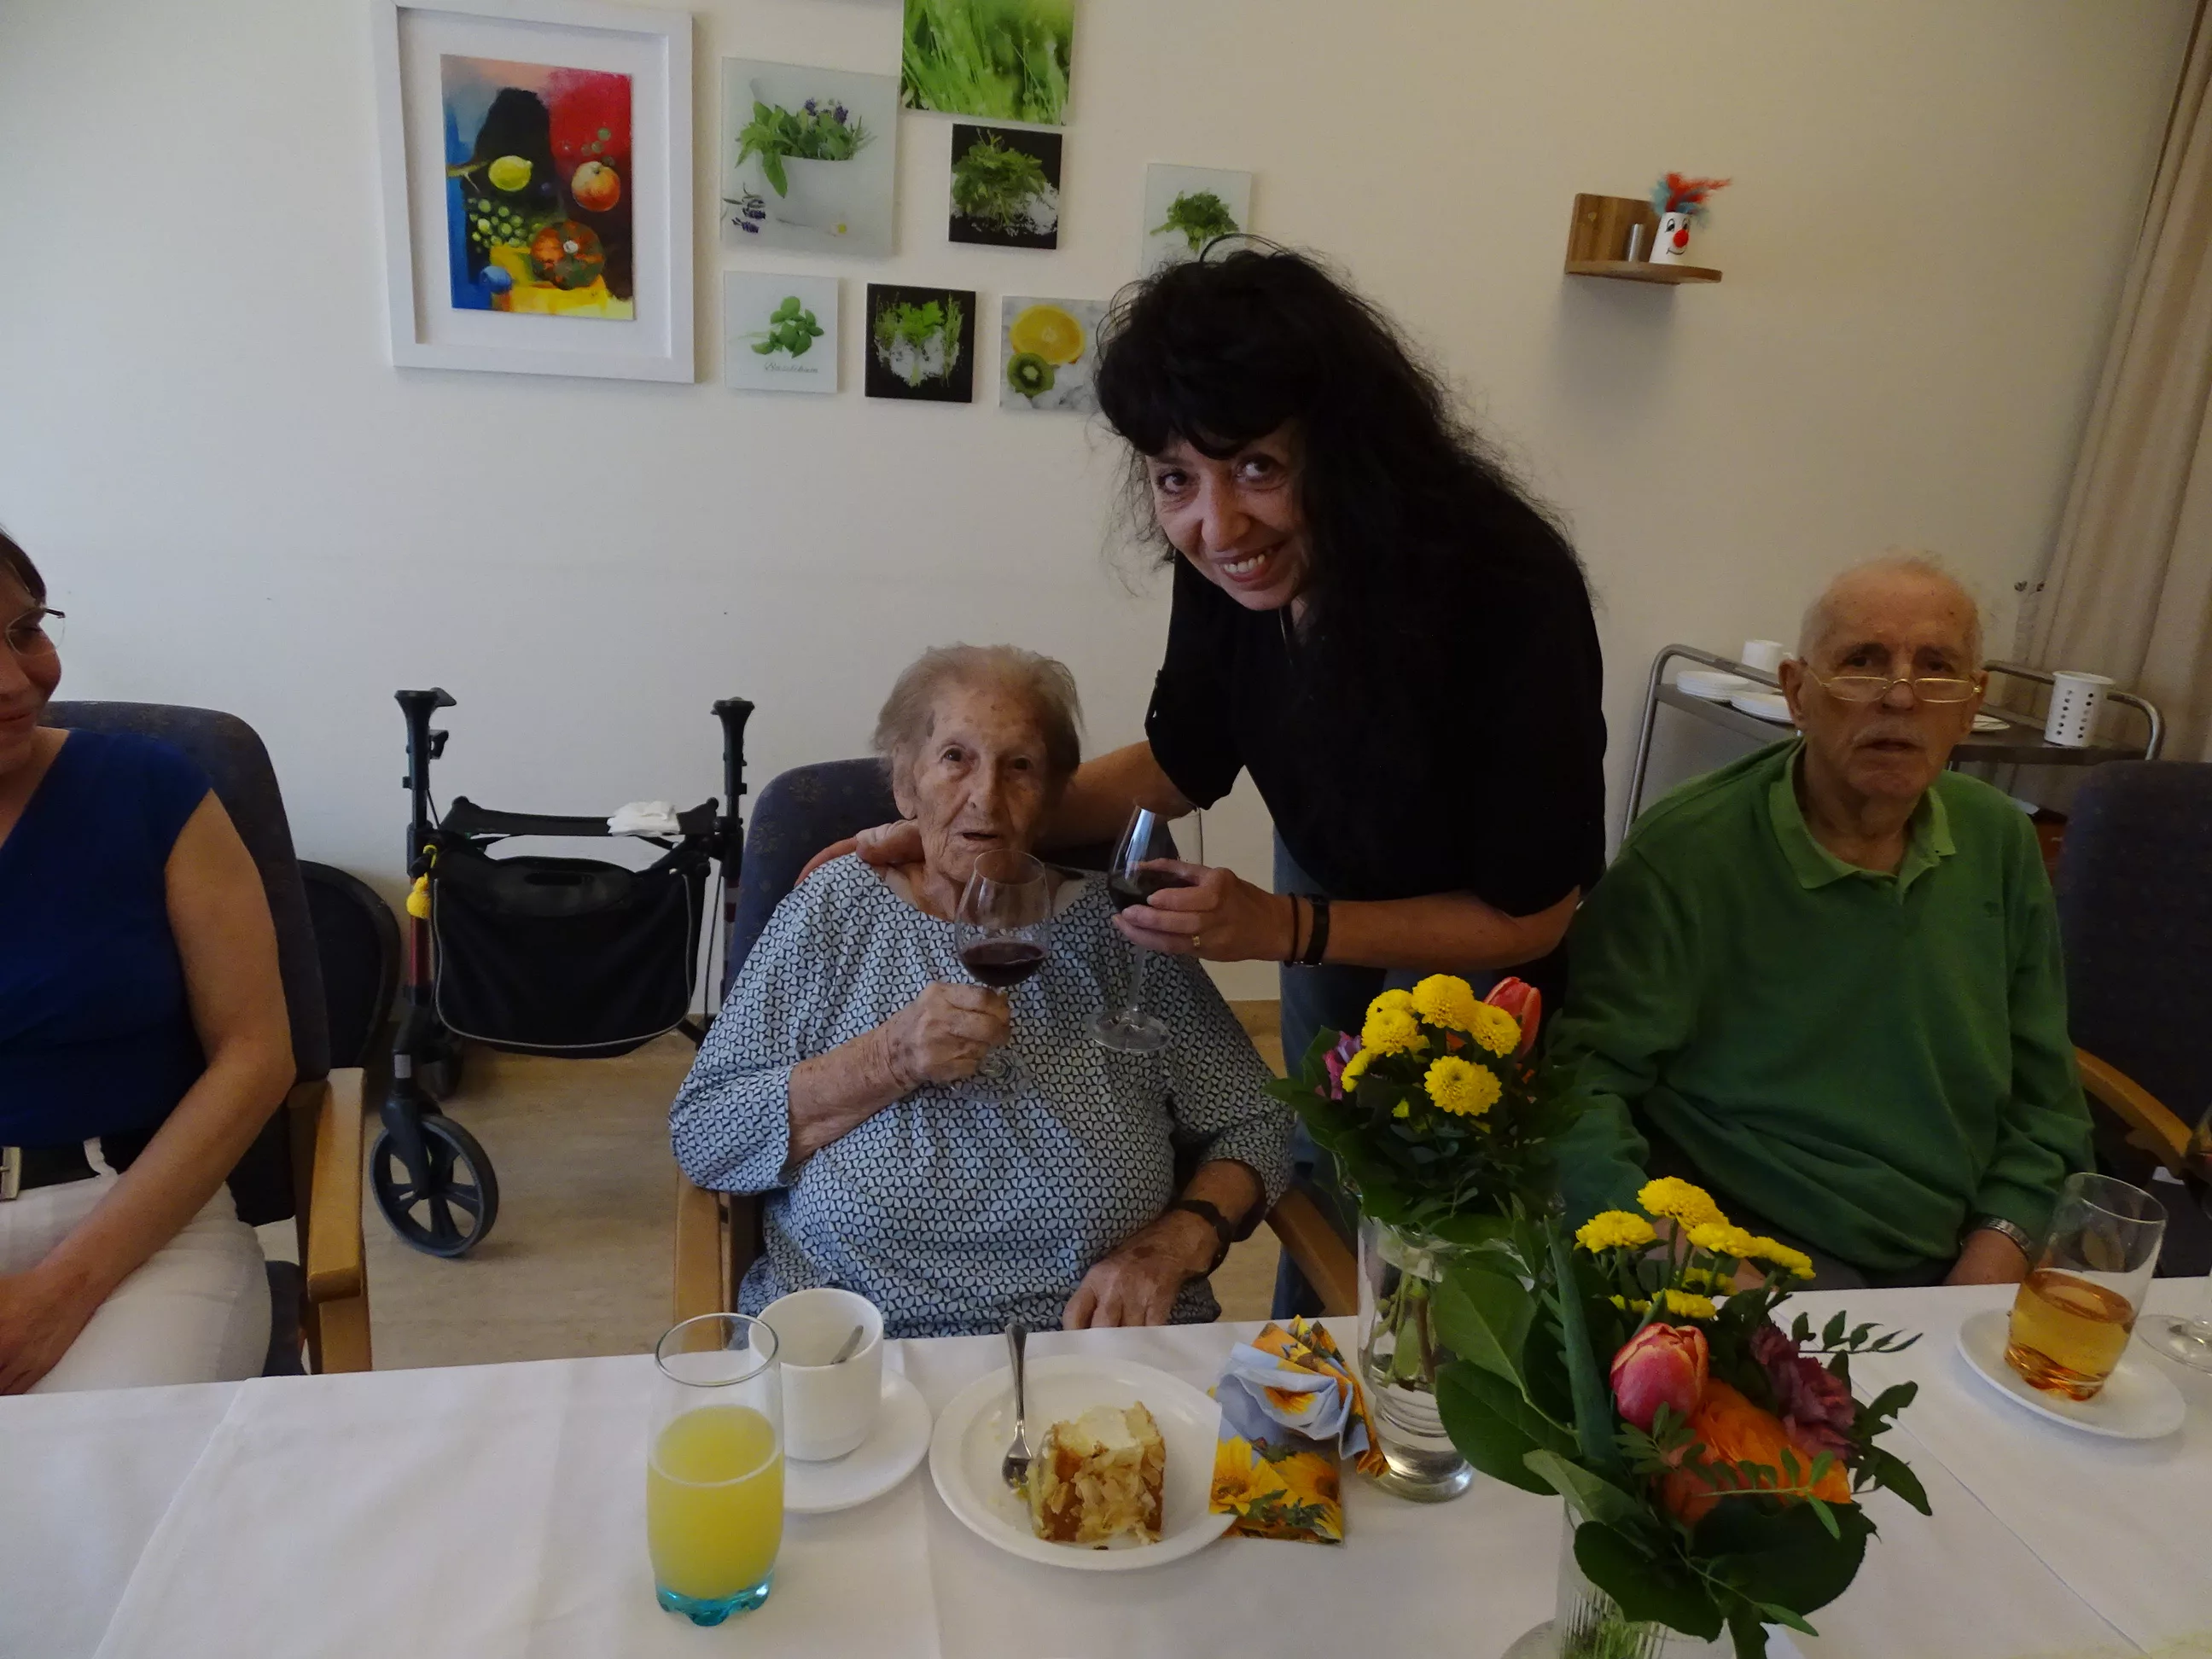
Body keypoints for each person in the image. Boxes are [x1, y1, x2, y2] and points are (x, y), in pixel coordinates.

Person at [810, 247, 1608, 1313]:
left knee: (1436, 1219)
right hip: (1324, 876)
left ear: (1349, 446)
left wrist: (1285, 928)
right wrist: (976, 823)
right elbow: (1179, 764)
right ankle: (1303, 1371)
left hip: (1480, 930)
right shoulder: (1232, 568)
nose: (1218, 528)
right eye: (1175, 479)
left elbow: (1533, 913)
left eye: (1260, 469)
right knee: (1321, 1156)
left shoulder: (1507, 590)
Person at [670, 644, 1293, 1338]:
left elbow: (1260, 1120)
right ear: (906, 783)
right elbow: (705, 1132)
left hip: (1093, 1352)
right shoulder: (833, 912)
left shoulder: (1122, 931)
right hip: (860, 1352)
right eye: (955, 758)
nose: (986, 797)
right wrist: (889, 1058)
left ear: (1055, 796)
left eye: (1020, 766)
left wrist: (1180, 1240)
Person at [1551, 553, 2094, 1288]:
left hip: (1961, 1257)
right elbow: (1577, 1093)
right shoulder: (1688, 851)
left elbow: (2046, 1103)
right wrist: (1697, 1266)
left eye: (1936, 667)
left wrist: (1990, 1261)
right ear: (1797, 693)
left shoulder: (1999, 839)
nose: (1900, 696)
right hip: (1751, 1249)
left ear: (1972, 705)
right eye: (1862, 662)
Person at [0, 531, 293, 1392]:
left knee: (105, 1461)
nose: (15, 681)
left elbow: (255, 1054)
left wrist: (62, 1292)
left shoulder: (148, 790)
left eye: (25, 631)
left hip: (131, 1226)